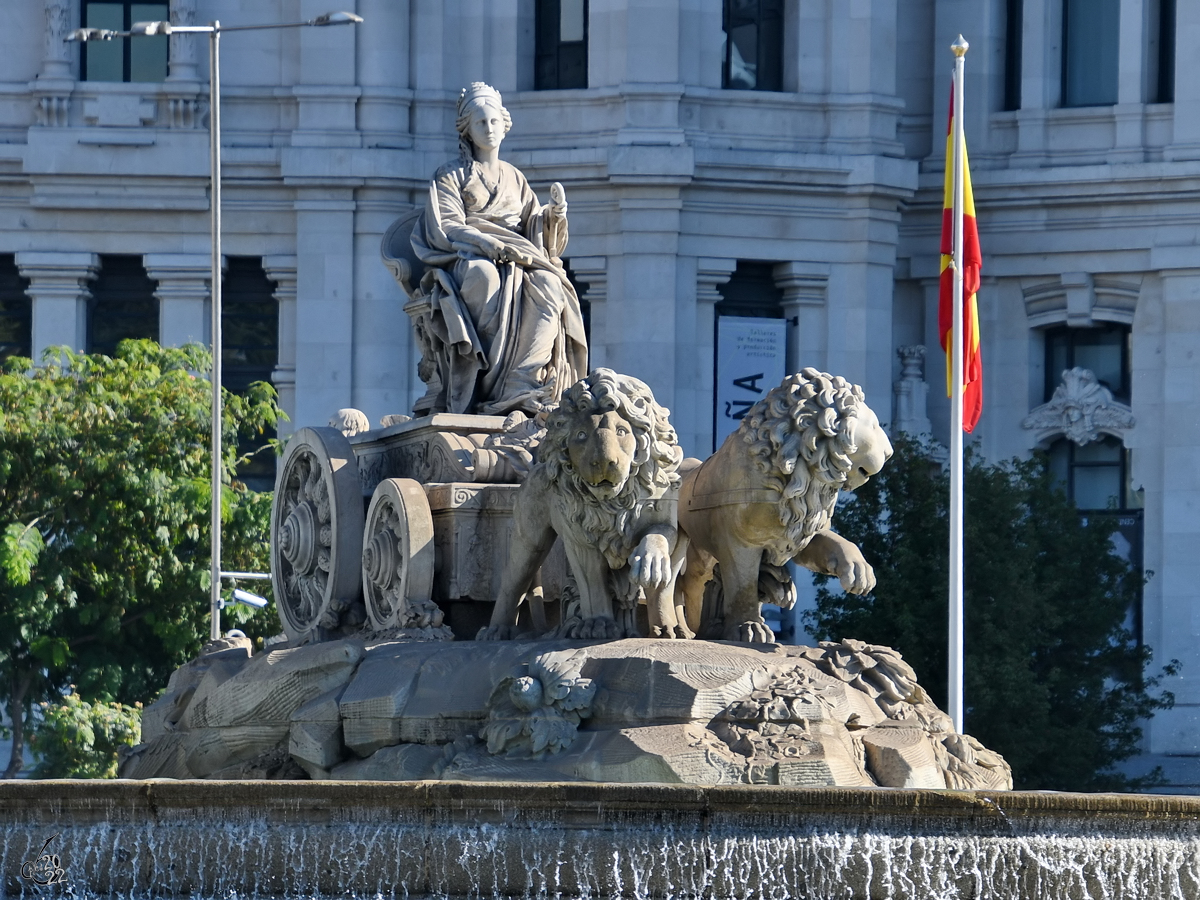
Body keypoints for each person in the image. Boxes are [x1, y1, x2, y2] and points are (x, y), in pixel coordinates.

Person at [410, 82, 588, 416]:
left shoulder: (515, 178)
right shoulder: (450, 175)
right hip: (467, 256)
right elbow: (446, 226)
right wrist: (486, 243)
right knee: (484, 277)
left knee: (550, 285)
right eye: (480, 123)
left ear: (504, 125)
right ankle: (485, 383)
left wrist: (553, 215)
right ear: (467, 130)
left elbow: (533, 227)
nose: (489, 129)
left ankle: (521, 382)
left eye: (493, 121)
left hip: (518, 258)